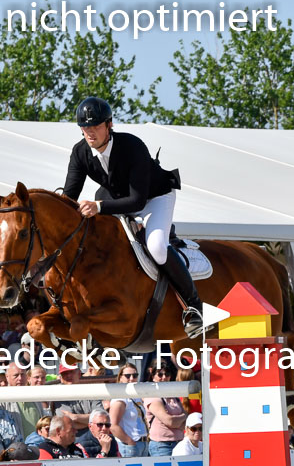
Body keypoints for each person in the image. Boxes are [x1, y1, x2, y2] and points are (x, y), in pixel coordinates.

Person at [63, 96, 202, 338]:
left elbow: (137, 201)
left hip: (154, 197)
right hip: (115, 198)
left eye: (95, 126)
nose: (90, 133)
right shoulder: (80, 152)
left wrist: (98, 206)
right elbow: (68, 198)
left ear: (109, 125)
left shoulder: (132, 146)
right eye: (85, 128)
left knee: (157, 246)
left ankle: (194, 306)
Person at [143, 362, 187, 456]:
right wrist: (182, 417)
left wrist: (176, 421)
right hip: (162, 446)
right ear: (153, 375)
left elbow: (184, 422)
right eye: (160, 374)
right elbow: (169, 421)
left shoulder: (173, 395)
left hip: (179, 443)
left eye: (167, 374)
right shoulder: (152, 395)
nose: (164, 377)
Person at [108, 367, 150, 457]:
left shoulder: (136, 396)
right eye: (127, 376)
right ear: (120, 378)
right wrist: (129, 441)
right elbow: (113, 425)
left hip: (143, 443)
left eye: (135, 376)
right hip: (129, 445)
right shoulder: (120, 399)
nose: (131, 378)